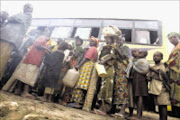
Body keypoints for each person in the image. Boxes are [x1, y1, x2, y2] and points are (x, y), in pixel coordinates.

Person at [2, 33, 50, 99]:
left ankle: (18, 90)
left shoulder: (42, 39)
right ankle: (25, 92)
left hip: (30, 59)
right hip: (34, 60)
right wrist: (46, 49)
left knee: (22, 75)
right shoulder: (42, 38)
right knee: (28, 77)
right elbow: (38, 44)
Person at [0, 3, 33, 81]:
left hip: (9, 38)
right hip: (7, 37)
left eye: (28, 7)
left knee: (1, 59)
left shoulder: (27, 15)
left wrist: (9, 17)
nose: (27, 8)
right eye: (26, 7)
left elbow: (14, 18)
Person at [69, 36, 98, 108]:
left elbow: (86, 58)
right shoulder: (94, 49)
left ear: (95, 43)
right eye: (90, 41)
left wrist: (78, 65)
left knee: (80, 83)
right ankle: (79, 102)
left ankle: (77, 103)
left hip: (87, 66)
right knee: (82, 84)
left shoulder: (92, 48)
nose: (90, 42)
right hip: (89, 66)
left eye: (92, 41)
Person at [147, 51, 171, 120]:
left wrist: (153, 70)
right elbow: (150, 77)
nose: (155, 57)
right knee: (160, 106)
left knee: (163, 105)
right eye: (154, 56)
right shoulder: (154, 66)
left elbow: (163, 76)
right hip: (156, 89)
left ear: (161, 58)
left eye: (157, 56)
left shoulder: (163, 66)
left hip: (162, 88)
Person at [96, 36, 116, 115]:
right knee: (103, 86)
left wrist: (104, 60)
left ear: (112, 39)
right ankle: (101, 107)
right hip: (103, 68)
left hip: (109, 68)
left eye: (109, 38)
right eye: (106, 38)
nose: (107, 40)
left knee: (107, 87)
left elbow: (112, 56)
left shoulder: (113, 47)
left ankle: (104, 109)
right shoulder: (104, 47)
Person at [113, 36, 130, 118]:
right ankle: (116, 109)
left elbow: (123, 57)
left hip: (122, 70)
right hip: (116, 70)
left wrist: (117, 49)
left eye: (120, 40)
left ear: (123, 41)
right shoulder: (115, 48)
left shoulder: (125, 47)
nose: (118, 41)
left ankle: (122, 111)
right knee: (117, 89)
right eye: (117, 40)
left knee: (122, 89)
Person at [131, 50, 149, 120]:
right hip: (138, 78)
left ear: (145, 55)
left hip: (140, 79)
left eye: (140, 53)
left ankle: (139, 116)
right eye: (138, 52)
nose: (138, 53)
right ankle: (139, 115)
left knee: (139, 96)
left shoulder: (141, 61)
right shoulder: (139, 61)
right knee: (138, 96)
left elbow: (144, 70)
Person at [166, 32, 180, 107]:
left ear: (178, 37)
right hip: (174, 73)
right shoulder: (174, 48)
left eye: (174, 37)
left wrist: (167, 64)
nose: (172, 39)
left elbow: (174, 59)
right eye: (170, 38)